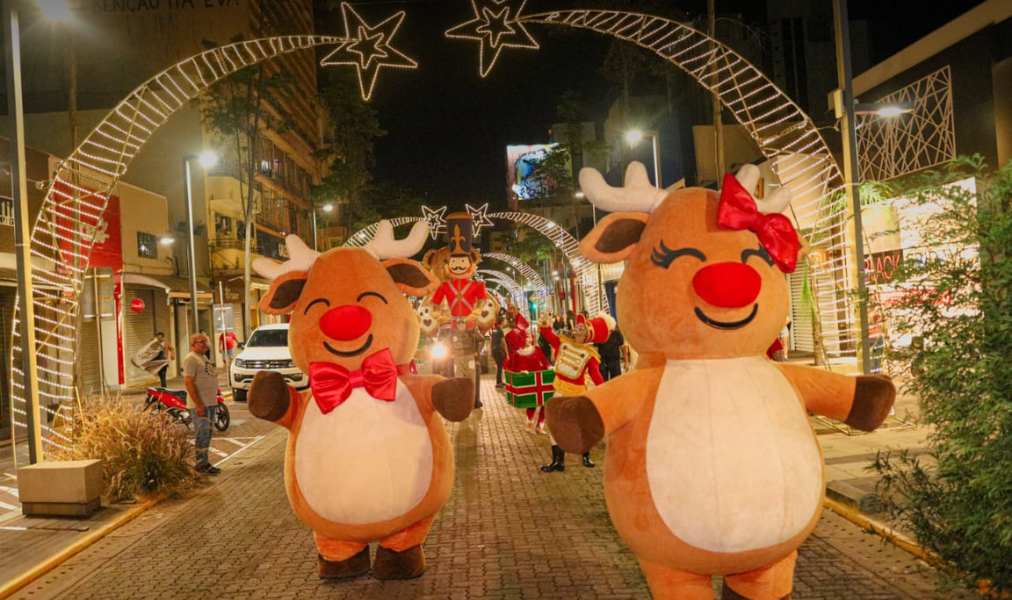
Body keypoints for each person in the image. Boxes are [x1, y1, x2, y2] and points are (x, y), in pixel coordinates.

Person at [538, 314, 611, 471]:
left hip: (576, 394)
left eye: (581, 326)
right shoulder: (563, 343)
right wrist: (544, 325)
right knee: (554, 424)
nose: (577, 327)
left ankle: (586, 455)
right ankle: (558, 461)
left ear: (587, 334)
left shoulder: (589, 355)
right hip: (559, 390)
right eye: (578, 325)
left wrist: (605, 391)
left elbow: (596, 375)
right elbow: (548, 335)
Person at [183, 333, 220, 475]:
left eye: (205, 341)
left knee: (208, 433)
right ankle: (200, 464)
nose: (205, 344)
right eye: (201, 342)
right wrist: (198, 404)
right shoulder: (191, 359)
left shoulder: (203, 358)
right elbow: (189, 382)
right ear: (193, 344)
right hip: (201, 404)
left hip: (210, 402)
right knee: (202, 433)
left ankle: (205, 462)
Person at [447, 318, 486, 409]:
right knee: (459, 381)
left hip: (469, 358)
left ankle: (471, 402)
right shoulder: (452, 333)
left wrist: (478, 351)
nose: (461, 325)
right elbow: (446, 343)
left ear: (466, 325)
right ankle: (461, 403)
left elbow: (482, 340)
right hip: (458, 359)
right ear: (457, 325)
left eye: (463, 323)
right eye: (459, 324)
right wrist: (451, 353)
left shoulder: (471, 333)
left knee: (470, 381)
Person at [490, 318, 507, 388]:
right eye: (504, 321)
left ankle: (500, 381)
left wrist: (491, 351)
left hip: (494, 350)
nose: (505, 322)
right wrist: (507, 353)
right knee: (499, 367)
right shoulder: (500, 331)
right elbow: (504, 343)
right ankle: (498, 383)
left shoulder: (494, 330)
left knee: (499, 366)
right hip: (499, 350)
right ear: (502, 322)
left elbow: (491, 340)